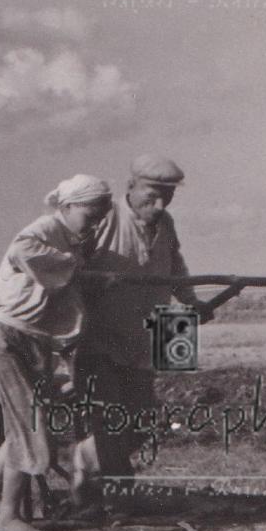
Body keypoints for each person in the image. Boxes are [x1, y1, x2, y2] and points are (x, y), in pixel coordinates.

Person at [0, 175, 112, 531]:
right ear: (67, 206)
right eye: (89, 216)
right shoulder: (45, 229)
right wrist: (73, 266)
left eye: (100, 217)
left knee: (26, 420)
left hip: (36, 341)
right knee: (30, 422)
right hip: (5, 338)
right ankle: (7, 517)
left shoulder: (77, 238)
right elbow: (23, 252)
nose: (94, 224)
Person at [77, 155, 209, 492]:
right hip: (100, 337)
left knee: (143, 421)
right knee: (109, 418)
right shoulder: (103, 217)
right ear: (131, 187)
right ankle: (113, 493)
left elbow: (175, 265)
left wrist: (192, 301)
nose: (160, 205)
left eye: (168, 196)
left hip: (147, 336)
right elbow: (68, 268)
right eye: (152, 196)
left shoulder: (167, 223)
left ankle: (89, 462)